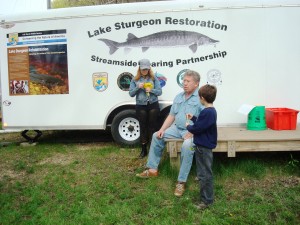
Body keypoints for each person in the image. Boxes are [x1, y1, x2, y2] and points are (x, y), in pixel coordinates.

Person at [136, 70, 203, 197]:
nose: (185, 83)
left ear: (196, 84)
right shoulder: (179, 96)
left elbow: (205, 118)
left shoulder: (201, 98)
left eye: (188, 81)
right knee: (156, 136)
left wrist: (194, 132)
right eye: (184, 81)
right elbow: (171, 116)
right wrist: (162, 130)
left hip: (191, 132)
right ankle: (152, 169)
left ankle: (181, 182)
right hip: (177, 129)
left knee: (187, 147)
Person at [185, 84, 217, 209]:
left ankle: (207, 201)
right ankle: (205, 197)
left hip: (203, 148)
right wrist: (193, 117)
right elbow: (202, 123)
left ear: (202, 98)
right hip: (202, 147)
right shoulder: (210, 111)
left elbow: (198, 128)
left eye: (199, 97)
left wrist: (188, 125)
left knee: (205, 174)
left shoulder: (207, 113)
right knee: (203, 173)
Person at [129, 59, 162, 158]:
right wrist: (138, 87)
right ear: (139, 68)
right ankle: (143, 150)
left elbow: (160, 92)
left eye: (146, 69)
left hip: (153, 104)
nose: (145, 71)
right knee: (142, 127)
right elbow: (131, 93)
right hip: (141, 105)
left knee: (152, 127)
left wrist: (151, 90)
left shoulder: (153, 78)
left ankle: (153, 149)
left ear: (149, 68)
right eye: (143, 69)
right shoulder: (135, 79)